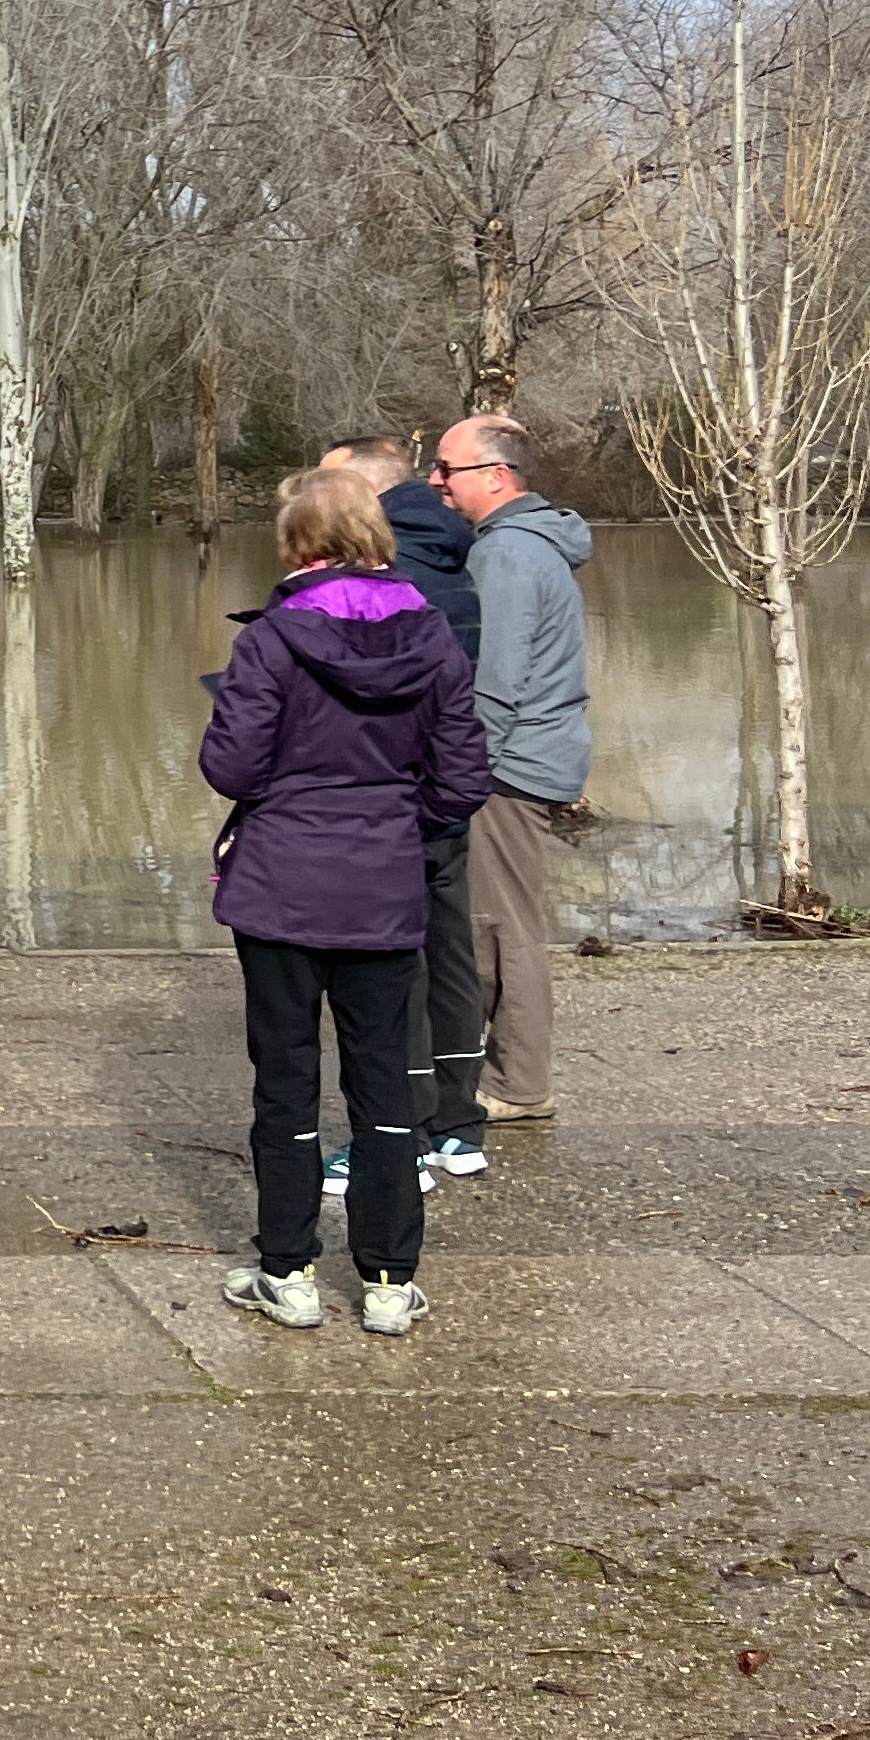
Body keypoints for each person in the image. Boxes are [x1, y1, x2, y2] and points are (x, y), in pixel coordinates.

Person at [198, 465, 490, 1337]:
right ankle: (390, 1282)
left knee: (285, 1083)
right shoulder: (433, 635)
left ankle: (287, 1271)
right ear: (376, 536)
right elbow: (464, 777)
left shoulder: (271, 640)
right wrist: (396, 822)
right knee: (384, 1083)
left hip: (281, 883)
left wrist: (294, 799)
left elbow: (231, 767)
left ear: (297, 546)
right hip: (382, 885)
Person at [318, 436, 490, 1184]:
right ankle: (456, 1125)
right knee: (447, 950)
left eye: (327, 486)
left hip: (388, 797)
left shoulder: (387, 578)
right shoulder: (454, 559)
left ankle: (401, 1138)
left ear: (363, 493)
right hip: (443, 790)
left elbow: (363, 700)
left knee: (392, 968)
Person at [434, 413, 594, 1124]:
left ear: (496, 476)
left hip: (508, 767)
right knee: (503, 920)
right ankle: (499, 1071)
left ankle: (519, 1085)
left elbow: (495, 681)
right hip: (532, 756)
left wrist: (463, 770)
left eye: (448, 468)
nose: (436, 481)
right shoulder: (528, 544)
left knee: (500, 927)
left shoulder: (505, 555)